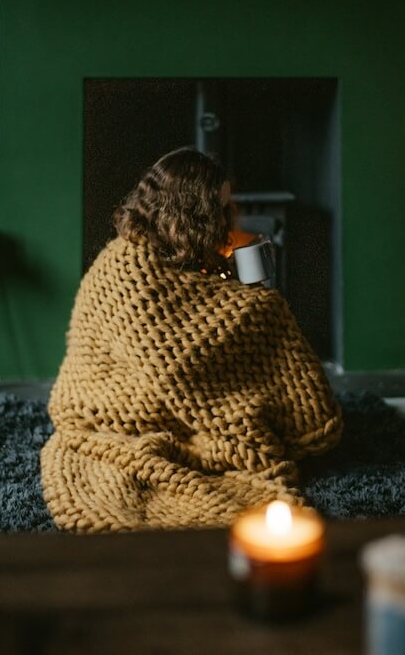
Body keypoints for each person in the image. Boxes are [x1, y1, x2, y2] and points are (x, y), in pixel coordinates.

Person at [41, 147, 342, 533]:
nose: (230, 214)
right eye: (222, 207)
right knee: (266, 312)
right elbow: (173, 357)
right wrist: (258, 298)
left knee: (260, 311)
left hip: (131, 392)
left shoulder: (142, 252)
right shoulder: (132, 276)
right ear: (193, 214)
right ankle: (290, 413)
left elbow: (194, 304)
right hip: (120, 402)